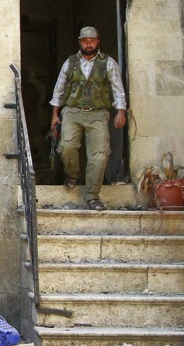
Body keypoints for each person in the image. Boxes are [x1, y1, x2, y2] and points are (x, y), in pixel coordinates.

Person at [49, 26, 127, 211]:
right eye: (85, 40)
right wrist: (54, 115)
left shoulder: (108, 63)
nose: (88, 43)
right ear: (80, 42)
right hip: (72, 112)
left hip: (98, 113)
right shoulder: (70, 63)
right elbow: (58, 90)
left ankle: (92, 196)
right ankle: (73, 174)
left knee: (99, 156)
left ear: (98, 41)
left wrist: (121, 111)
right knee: (67, 147)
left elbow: (118, 89)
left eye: (92, 40)